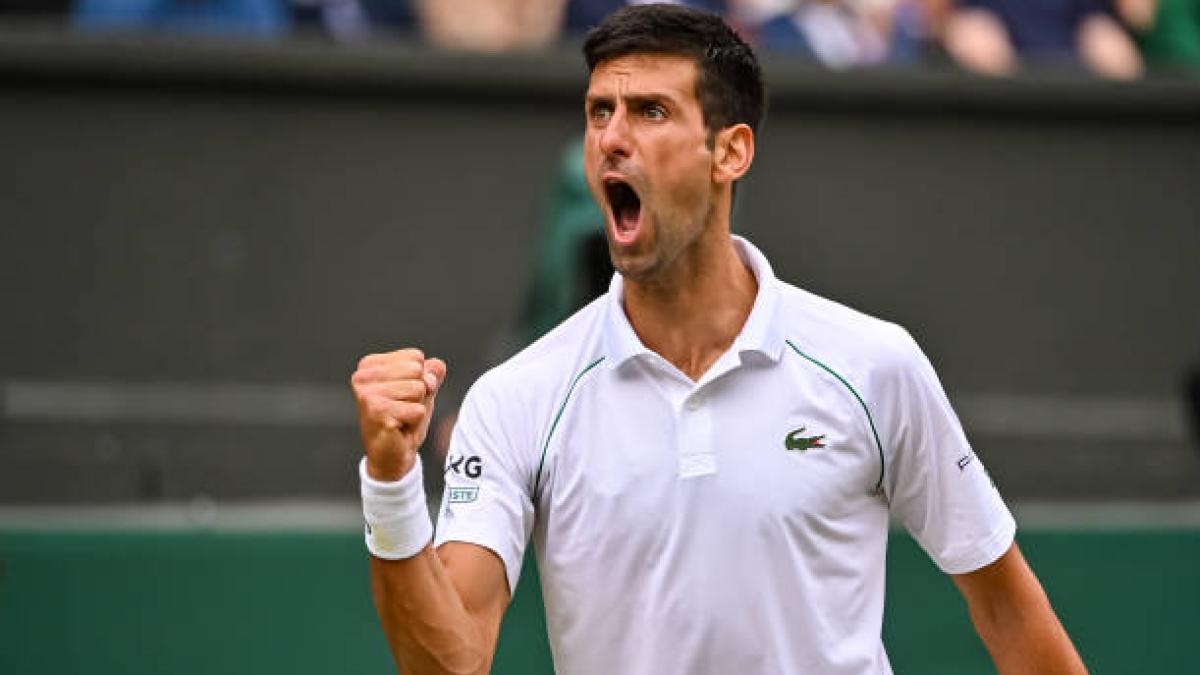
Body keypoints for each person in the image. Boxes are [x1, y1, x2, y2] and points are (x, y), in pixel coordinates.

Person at [349, 5, 1088, 674]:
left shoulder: (875, 364)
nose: (611, 137)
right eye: (598, 111)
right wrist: (391, 483)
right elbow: (449, 664)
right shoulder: (517, 398)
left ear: (730, 152)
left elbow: (1008, 609)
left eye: (649, 111)